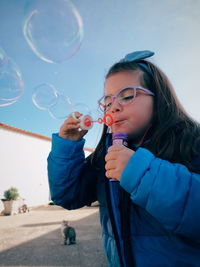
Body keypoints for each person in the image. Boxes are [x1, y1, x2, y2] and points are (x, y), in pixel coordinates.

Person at [47, 50, 200, 266]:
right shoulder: (105, 156)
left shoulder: (192, 141)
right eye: (108, 101)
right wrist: (67, 147)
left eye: (127, 96)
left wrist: (140, 173)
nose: (115, 106)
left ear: (159, 98)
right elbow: (67, 196)